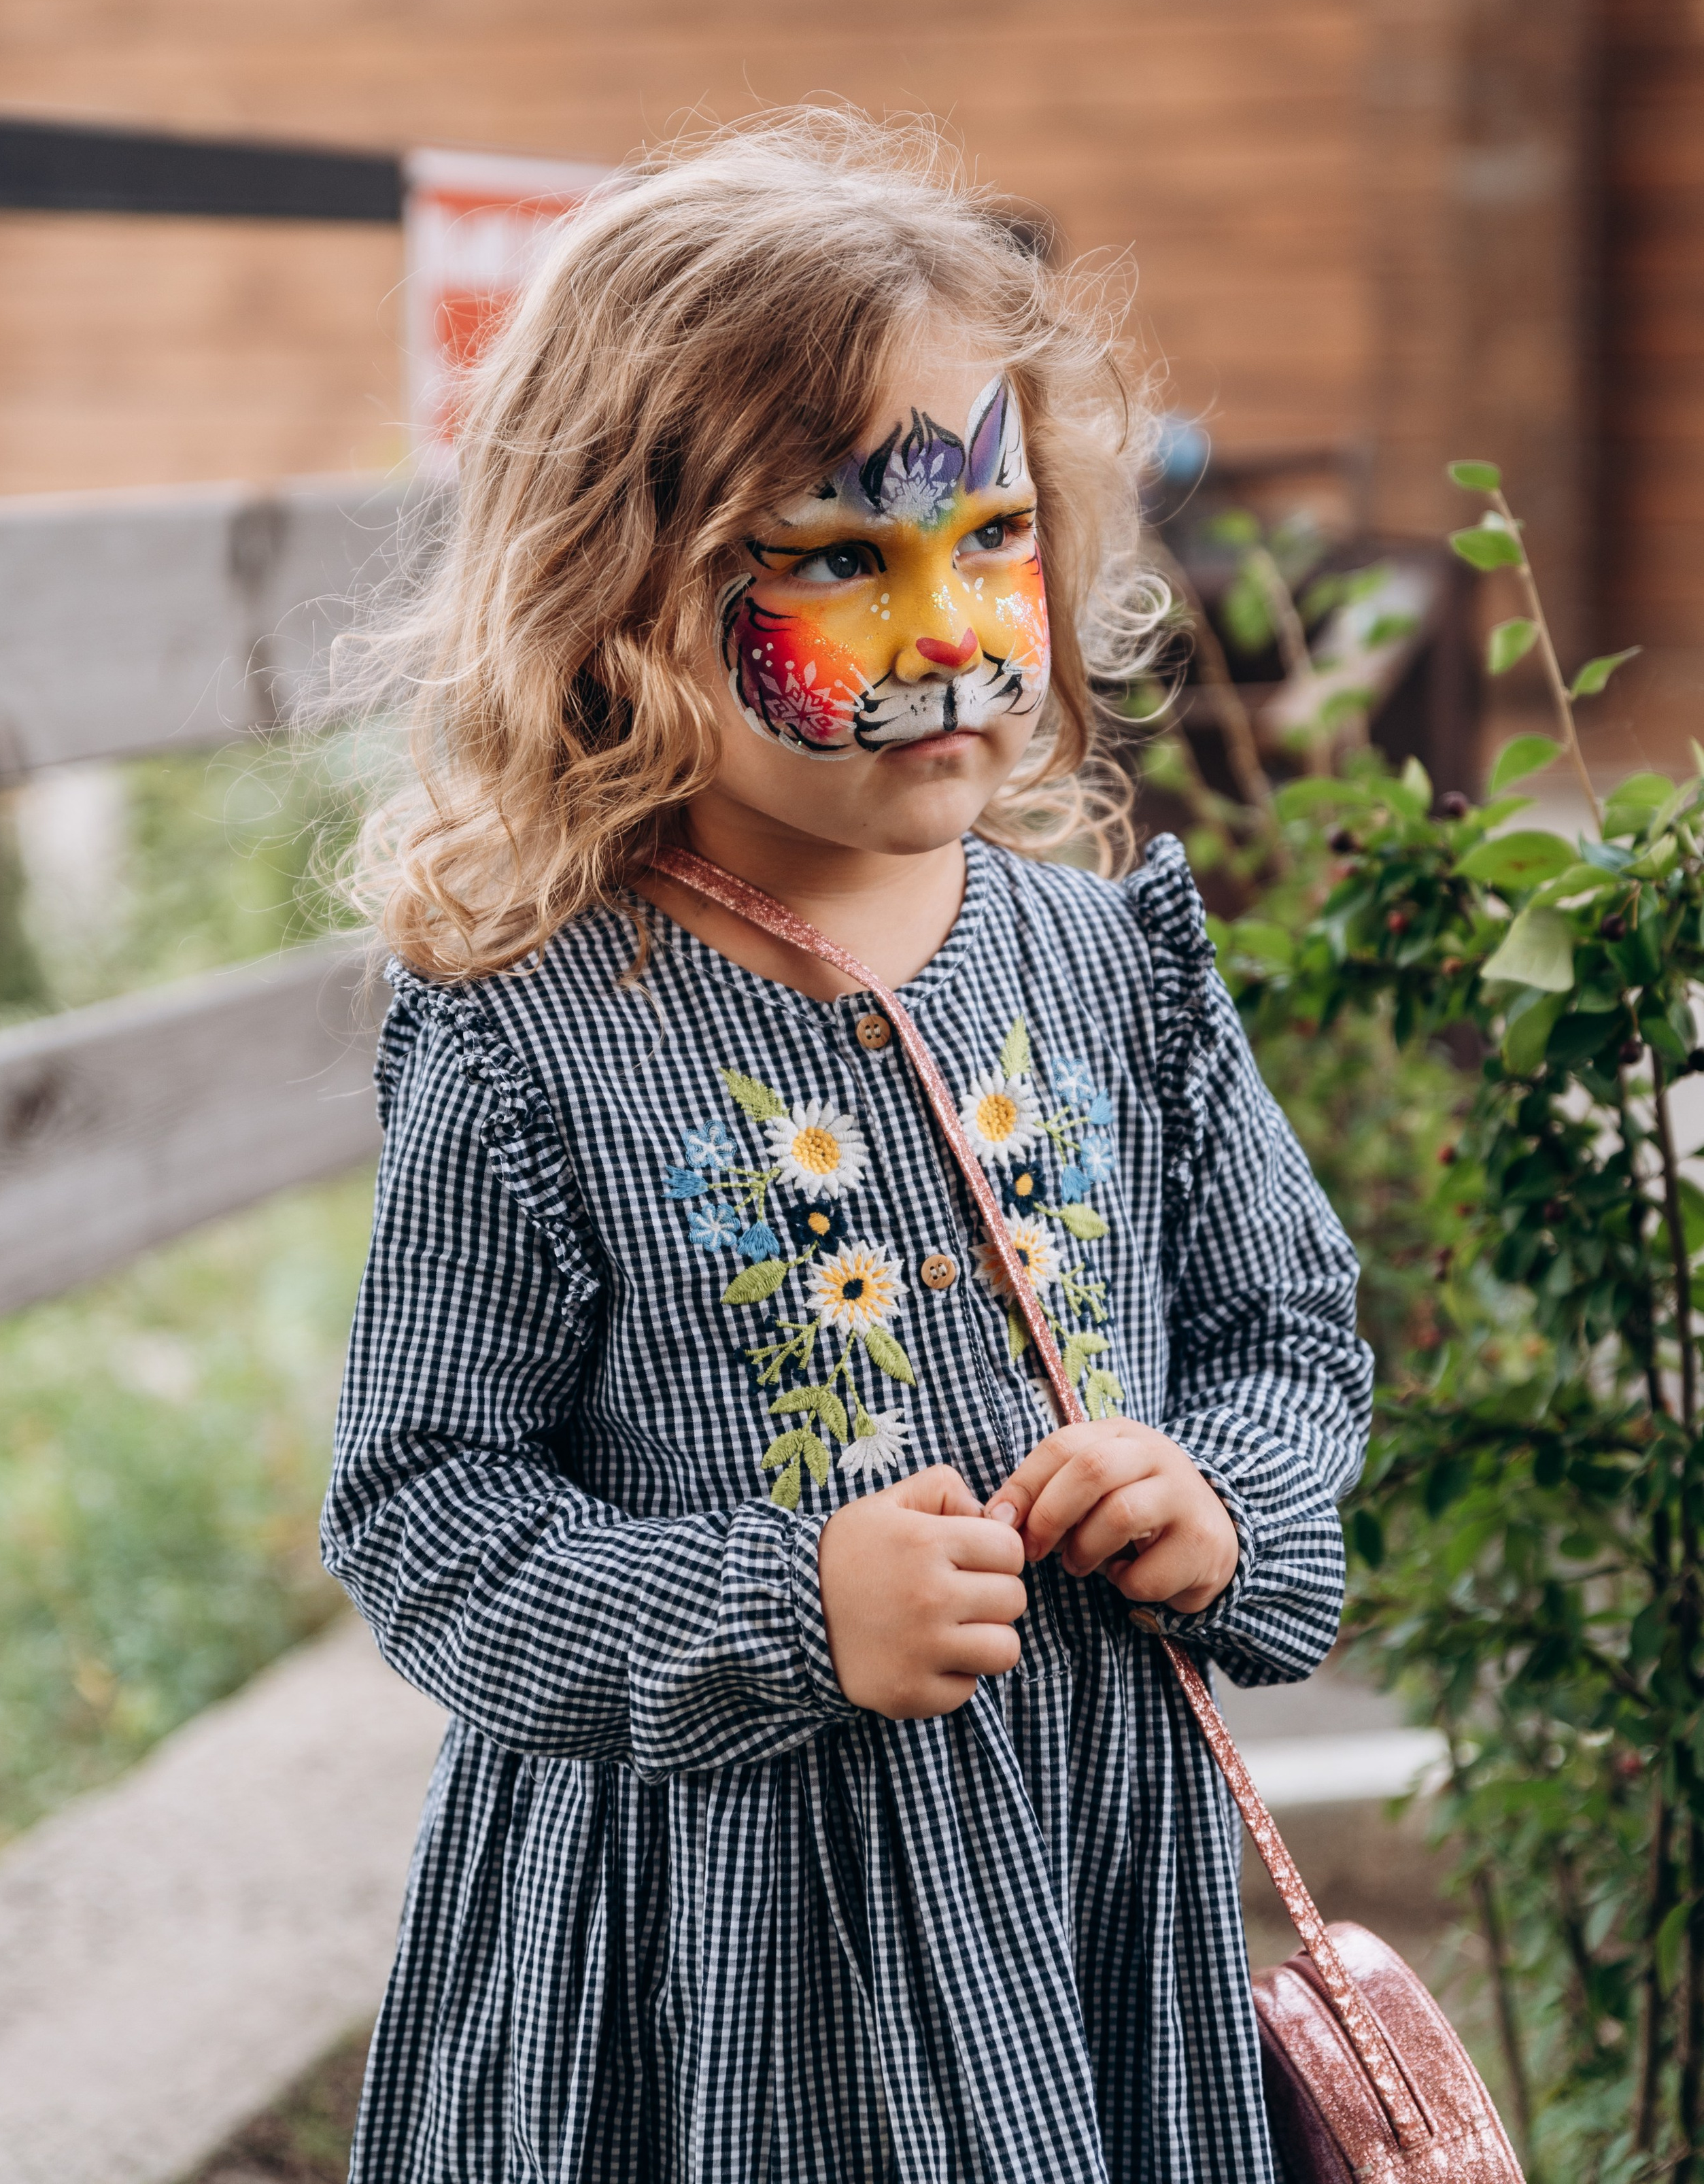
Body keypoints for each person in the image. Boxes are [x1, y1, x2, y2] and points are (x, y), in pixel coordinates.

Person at [323, 110, 1369, 2184]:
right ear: (615, 599)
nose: (955, 636)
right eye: (840, 559)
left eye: (991, 541)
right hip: (722, 1960)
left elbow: (1290, 1328)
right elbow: (431, 1518)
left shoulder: (1111, 967)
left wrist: (1219, 1498)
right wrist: (789, 1611)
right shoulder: (536, 1040)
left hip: (1082, 1873)